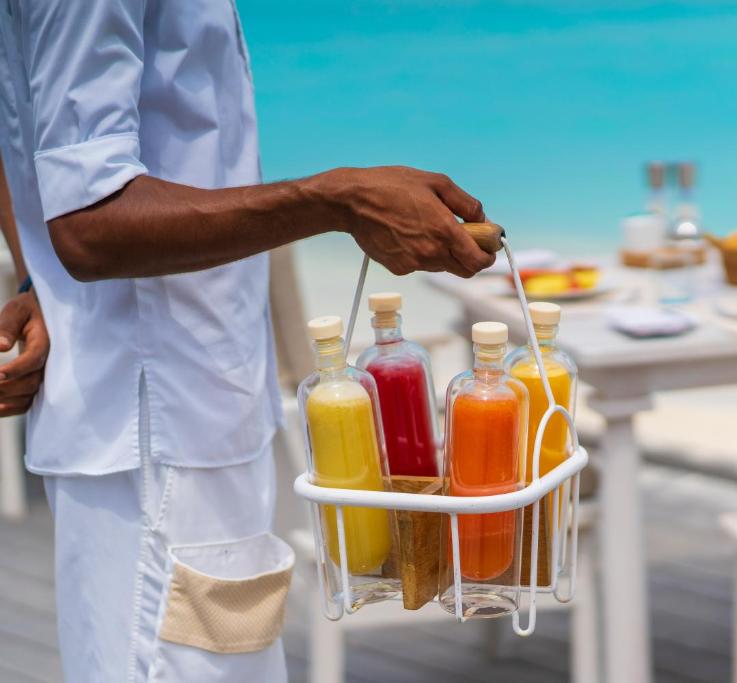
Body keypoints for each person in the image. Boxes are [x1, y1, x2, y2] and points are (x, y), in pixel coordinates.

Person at [0, 2, 495, 682]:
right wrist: (337, 201)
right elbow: (88, 223)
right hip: (159, 435)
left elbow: (23, 105)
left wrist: (35, 276)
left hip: (188, 411)